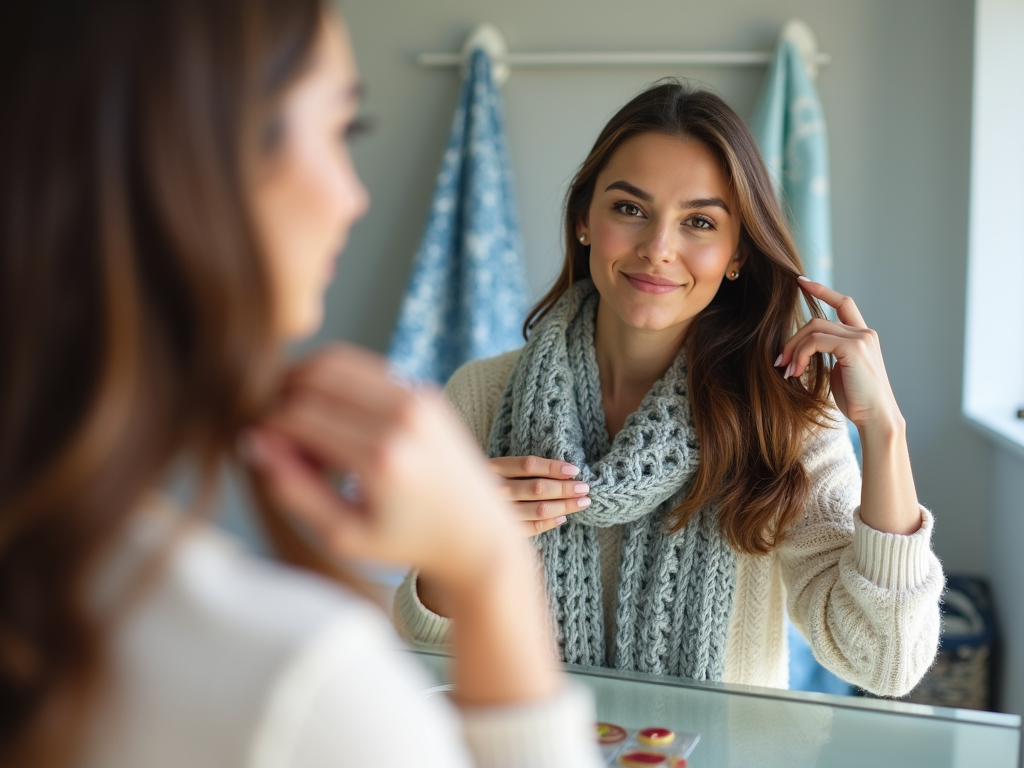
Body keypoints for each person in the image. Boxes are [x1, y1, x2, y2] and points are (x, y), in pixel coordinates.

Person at [0, 1, 603, 767]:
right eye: (339, 131)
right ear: (196, 161)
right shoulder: (298, 689)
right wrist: (491, 573)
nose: (355, 195)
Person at [396, 82, 944, 696]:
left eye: (700, 222)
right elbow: (427, 657)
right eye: (630, 209)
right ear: (584, 220)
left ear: (737, 253)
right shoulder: (479, 395)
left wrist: (884, 431)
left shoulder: (781, 415)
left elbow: (885, 664)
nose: (658, 250)